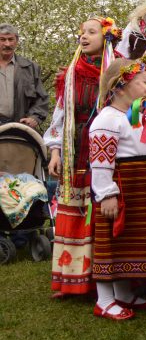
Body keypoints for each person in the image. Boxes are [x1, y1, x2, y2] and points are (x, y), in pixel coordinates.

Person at [46, 17, 120, 298]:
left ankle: (100, 278)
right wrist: (56, 150)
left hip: (105, 150)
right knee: (73, 209)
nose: (84, 36)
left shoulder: (116, 71)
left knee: (99, 210)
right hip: (76, 150)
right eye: (82, 32)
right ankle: (70, 278)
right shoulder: (71, 75)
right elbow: (60, 114)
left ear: (107, 37)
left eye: (91, 32)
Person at [88, 59, 146, 319]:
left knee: (129, 240)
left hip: (138, 188)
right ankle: (105, 300)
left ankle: (123, 293)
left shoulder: (135, 117)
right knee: (111, 240)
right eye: (142, 82)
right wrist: (106, 193)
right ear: (120, 87)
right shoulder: (106, 120)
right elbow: (101, 162)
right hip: (120, 190)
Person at [0, 23, 49, 129]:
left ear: (16, 41)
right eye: (2, 39)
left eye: (10, 39)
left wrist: (35, 117)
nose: (7, 44)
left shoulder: (29, 68)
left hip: (21, 128)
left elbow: (42, 98)